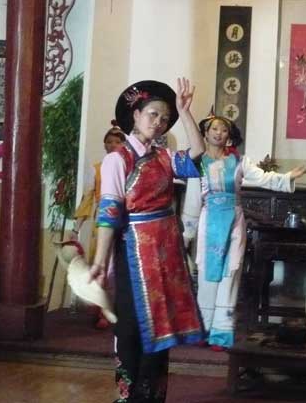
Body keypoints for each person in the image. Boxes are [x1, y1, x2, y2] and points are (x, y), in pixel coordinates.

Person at [89, 78, 205, 403]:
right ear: (136, 114)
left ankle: (153, 396)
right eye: (153, 114)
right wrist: (100, 261)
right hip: (135, 252)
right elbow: (109, 214)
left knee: (162, 327)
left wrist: (185, 111)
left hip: (166, 253)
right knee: (131, 327)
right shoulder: (118, 159)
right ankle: (129, 396)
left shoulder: (164, 157)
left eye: (165, 119)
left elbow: (197, 152)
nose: (159, 122)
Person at [181, 113, 306, 351]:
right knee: (206, 274)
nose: (219, 133)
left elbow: (262, 178)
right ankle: (202, 329)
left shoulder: (238, 161)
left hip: (234, 222)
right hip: (209, 223)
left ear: (229, 136)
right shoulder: (197, 163)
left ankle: (221, 333)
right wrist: (186, 235)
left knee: (231, 274)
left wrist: (286, 178)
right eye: (214, 129)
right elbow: (193, 200)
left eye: (224, 130)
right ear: (205, 133)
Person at [73, 121, 126, 329]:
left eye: (117, 142)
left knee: (119, 266)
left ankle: (117, 308)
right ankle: (101, 308)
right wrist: (76, 227)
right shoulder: (97, 169)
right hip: (102, 222)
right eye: (109, 142)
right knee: (100, 262)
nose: (113, 145)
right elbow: (88, 197)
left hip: (125, 222)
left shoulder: (130, 167)